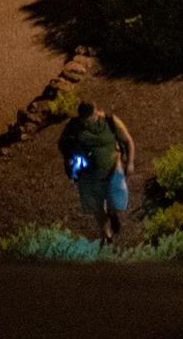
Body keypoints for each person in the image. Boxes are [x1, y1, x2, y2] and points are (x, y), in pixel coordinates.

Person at [57, 100, 136, 246]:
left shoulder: (110, 121)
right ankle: (107, 236)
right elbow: (62, 144)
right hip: (88, 176)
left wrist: (130, 162)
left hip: (113, 170)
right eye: (83, 120)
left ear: (96, 113)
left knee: (114, 202)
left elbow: (127, 140)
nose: (86, 122)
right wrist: (71, 158)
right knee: (96, 209)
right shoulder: (73, 127)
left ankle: (112, 213)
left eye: (89, 119)